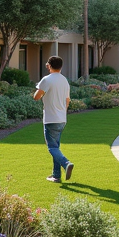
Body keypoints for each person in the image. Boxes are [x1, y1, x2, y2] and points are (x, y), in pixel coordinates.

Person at [33, 55, 73, 183]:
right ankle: (56, 175)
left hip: (51, 118)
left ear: (49, 66)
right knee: (56, 147)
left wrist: (38, 89)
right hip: (62, 119)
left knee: (52, 147)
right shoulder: (64, 80)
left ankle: (66, 163)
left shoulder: (47, 80)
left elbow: (36, 97)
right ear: (61, 66)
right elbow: (67, 100)